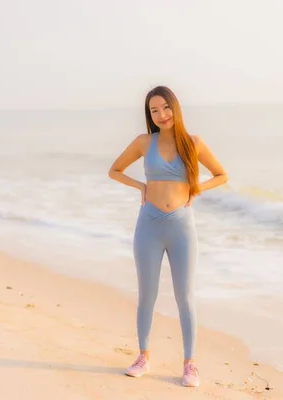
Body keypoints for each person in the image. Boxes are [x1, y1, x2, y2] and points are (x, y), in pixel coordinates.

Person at [108, 86, 228, 387]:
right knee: (146, 295)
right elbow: (115, 170)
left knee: (184, 297)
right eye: (154, 111)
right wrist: (140, 187)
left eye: (165, 108)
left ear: (175, 107)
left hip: (181, 227)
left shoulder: (193, 143)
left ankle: (190, 364)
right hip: (148, 225)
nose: (161, 115)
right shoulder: (143, 142)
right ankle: (143, 356)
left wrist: (196, 189)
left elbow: (221, 174)